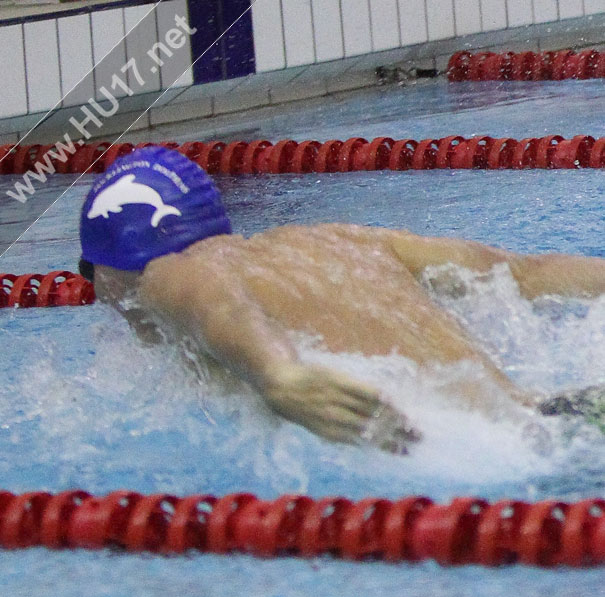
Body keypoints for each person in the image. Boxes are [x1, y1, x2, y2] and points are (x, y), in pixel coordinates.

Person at [79, 147, 605, 453]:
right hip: (554, 414)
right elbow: (523, 274)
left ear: (118, 263)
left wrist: (278, 377)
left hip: (464, 454)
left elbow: (218, 308)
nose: (96, 294)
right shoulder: (341, 241)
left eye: (89, 271)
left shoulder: (172, 273)